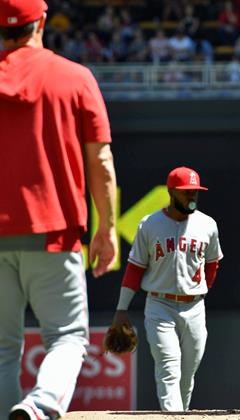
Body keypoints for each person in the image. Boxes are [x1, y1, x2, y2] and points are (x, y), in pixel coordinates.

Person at [0, 0, 118, 419]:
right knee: (67, 337)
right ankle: (41, 405)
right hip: (54, 233)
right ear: (43, 22)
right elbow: (100, 161)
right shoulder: (75, 77)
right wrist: (106, 227)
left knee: (1, 347)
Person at [109, 166, 223, 411]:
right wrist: (121, 309)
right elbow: (134, 269)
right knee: (169, 367)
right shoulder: (150, 224)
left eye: (194, 191)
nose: (191, 196)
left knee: (187, 376)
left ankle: (178, 415)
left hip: (194, 306)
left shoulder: (207, 225)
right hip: (160, 305)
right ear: (171, 192)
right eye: (185, 192)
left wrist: (202, 290)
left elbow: (213, 264)